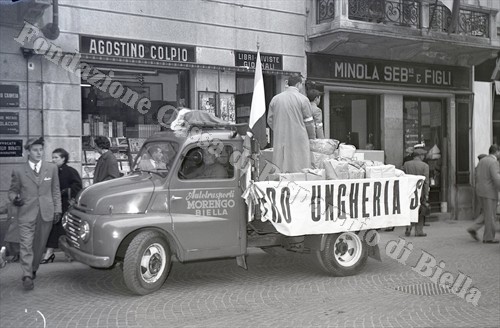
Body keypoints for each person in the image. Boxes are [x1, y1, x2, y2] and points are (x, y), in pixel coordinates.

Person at [8, 137, 62, 290]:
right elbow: (12, 191)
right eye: (35, 150)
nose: (39, 153)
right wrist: (15, 198)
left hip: (46, 213)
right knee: (26, 244)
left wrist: (57, 209)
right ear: (28, 152)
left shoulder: (51, 168)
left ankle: (33, 269)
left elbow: (55, 191)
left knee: (39, 246)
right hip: (26, 212)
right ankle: (26, 275)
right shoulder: (19, 171)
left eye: (41, 149)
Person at [41, 148, 82, 264]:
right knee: (52, 229)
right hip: (52, 205)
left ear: (63, 159)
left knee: (65, 229)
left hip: (65, 205)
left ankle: (67, 253)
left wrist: (66, 191)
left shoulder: (70, 171)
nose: (53, 160)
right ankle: (49, 252)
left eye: (56, 157)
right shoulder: (50, 171)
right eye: (52, 157)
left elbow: (78, 186)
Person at [267, 75, 316, 172]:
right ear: (298, 84)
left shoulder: (275, 99)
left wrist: (279, 129)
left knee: (281, 166)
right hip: (299, 140)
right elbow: (309, 122)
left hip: (280, 139)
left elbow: (270, 120)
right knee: (300, 168)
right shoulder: (303, 99)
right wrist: (312, 137)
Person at [468, 145, 500, 243]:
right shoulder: (493, 162)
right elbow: (496, 178)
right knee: (490, 215)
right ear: (496, 152)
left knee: (486, 213)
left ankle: (473, 228)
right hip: (490, 191)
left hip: (480, 191)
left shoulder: (482, 161)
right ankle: (489, 237)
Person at [402, 148, 429, 237]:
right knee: (421, 210)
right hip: (420, 191)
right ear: (420, 156)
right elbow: (426, 182)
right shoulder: (425, 166)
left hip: (408, 191)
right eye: (423, 155)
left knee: (409, 209)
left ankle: (408, 227)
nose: (424, 156)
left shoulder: (406, 164)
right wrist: (426, 194)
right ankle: (419, 230)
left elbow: (402, 177)